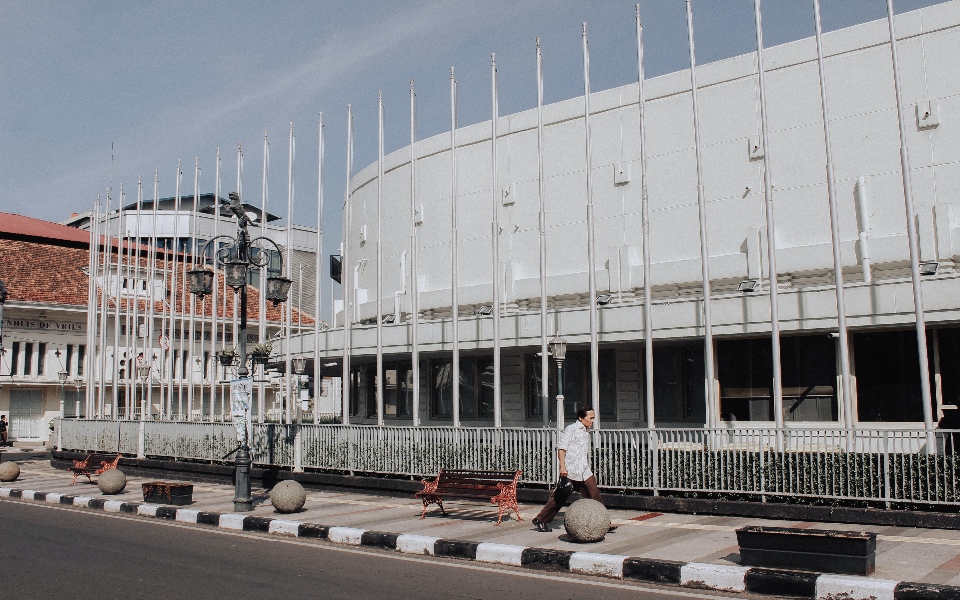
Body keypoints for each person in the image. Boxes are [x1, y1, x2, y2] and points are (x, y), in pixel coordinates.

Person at [532, 405, 615, 533]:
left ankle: (604, 522)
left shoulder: (585, 431)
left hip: (584, 470)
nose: (592, 421)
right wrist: (562, 466)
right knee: (559, 498)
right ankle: (541, 519)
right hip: (570, 470)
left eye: (593, 418)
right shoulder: (571, 429)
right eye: (590, 418)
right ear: (581, 418)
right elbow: (561, 448)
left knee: (594, 495)